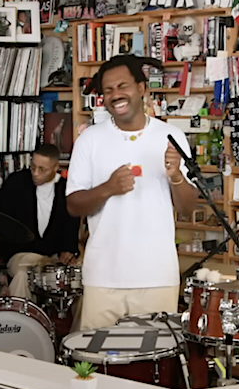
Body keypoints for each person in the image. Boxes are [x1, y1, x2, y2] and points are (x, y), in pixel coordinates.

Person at [66, 55, 196, 331]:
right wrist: (108, 188)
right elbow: (73, 206)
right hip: (103, 276)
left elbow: (187, 208)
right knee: (96, 362)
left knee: (155, 367)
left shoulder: (171, 137)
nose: (115, 95)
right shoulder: (89, 140)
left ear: (141, 88)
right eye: (108, 90)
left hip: (157, 276)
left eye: (122, 86)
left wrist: (175, 177)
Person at [0, 143, 80, 300]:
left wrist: (69, 249)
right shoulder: (16, 183)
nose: (35, 173)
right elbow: (0, 220)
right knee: (22, 274)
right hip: (22, 255)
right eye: (33, 167)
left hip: (55, 257)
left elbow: (72, 223)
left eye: (42, 169)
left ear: (55, 168)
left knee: (83, 279)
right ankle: (20, 322)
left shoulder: (66, 190)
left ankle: (82, 324)